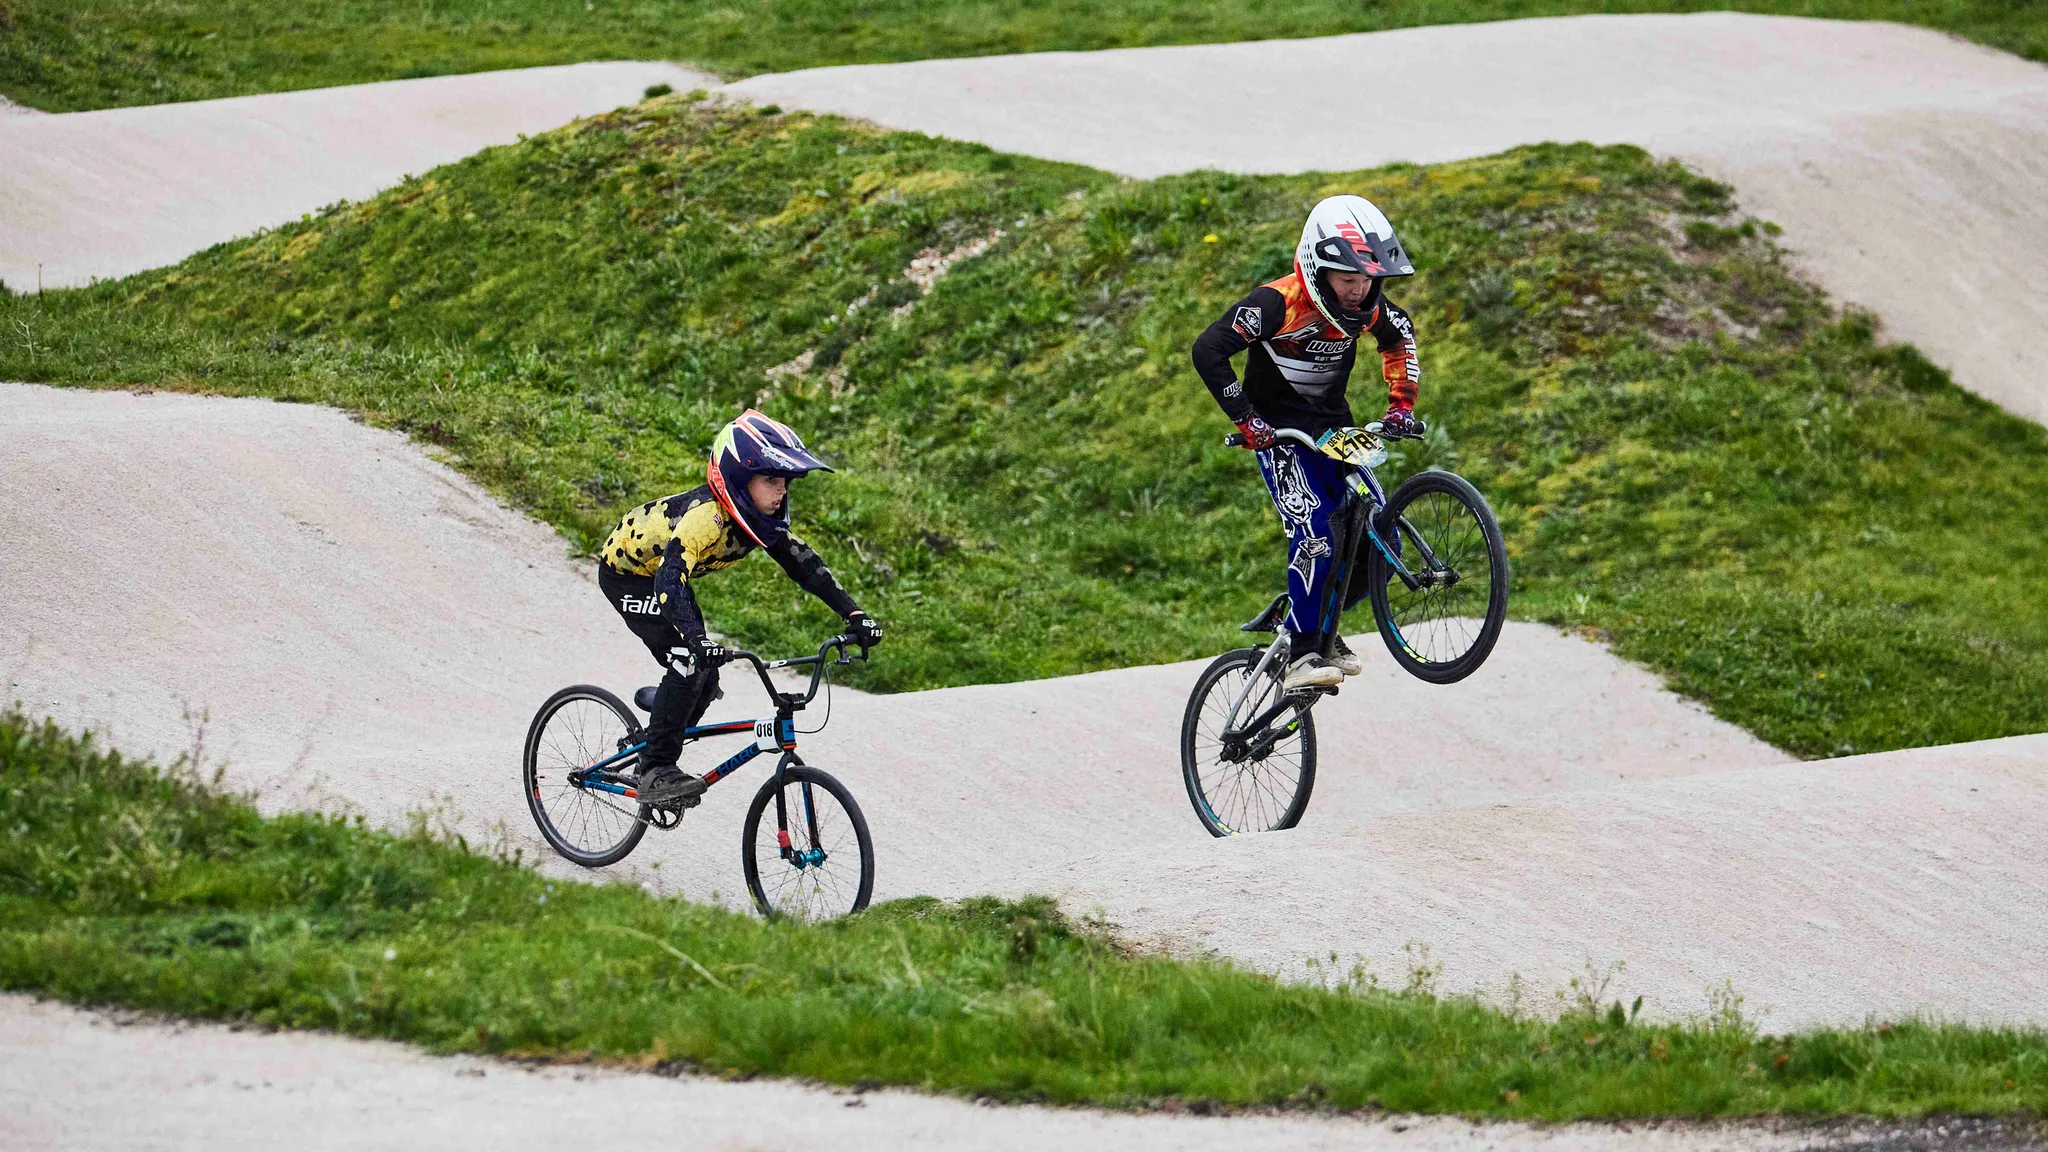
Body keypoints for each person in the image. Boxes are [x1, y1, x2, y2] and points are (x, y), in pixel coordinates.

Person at [1190, 194, 1422, 692]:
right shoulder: (1276, 303)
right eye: (1347, 278)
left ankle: (1318, 625)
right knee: (1316, 530)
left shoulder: (1370, 305)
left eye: (1368, 279)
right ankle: (1300, 650)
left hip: (1335, 427)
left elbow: (1399, 337)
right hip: (1278, 432)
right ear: (1318, 269)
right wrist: (1246, 418)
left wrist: (1400, 407)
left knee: (1383, 539)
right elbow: (1208, 350)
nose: (1360, 291)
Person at [597, 409, 882, 807]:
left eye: (784, 481)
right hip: (631, 575)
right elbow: (668, 578)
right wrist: (695, 640)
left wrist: (854, 614)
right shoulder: (706, 519)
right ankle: (656, 769)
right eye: (770, 479)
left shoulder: (758, 520)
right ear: (738, 479)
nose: (781, 491)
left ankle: (656, 737)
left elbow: (805, 566)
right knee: (688, 657)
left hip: (670, 580)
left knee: (705, 674)